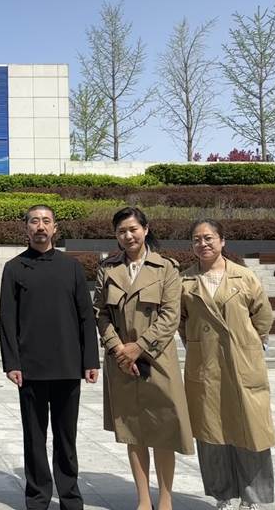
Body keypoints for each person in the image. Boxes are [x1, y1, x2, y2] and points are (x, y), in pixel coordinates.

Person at [0, 204, 100, 510]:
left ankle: (70, 496)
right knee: (34, 437)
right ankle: (37, 496)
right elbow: (7, 319)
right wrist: (12, 363)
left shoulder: (71, 267)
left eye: (46, 221)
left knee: (66, 438)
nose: (40, 226)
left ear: (55, 228)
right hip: (30, 368)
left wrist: (90, 360)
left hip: (68, 365)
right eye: (34, 221)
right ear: (26, 228)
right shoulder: (14, 268)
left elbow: (86, 315)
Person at [93, 207, 194, 510]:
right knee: (133, 432)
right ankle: (143, 500)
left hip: (157, 360)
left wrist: (139, 347)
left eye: (133, 229)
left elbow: (170, 316)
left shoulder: (166, 268)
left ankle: (165, 500)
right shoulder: (108, 269)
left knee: (163, 431)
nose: (128, 236)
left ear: (146, 229)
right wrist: (118, 349)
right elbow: (100, 313)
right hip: (121, 363)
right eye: (121, 231)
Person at [180, 219, 275, 510]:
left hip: (242, 362)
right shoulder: (185, 281)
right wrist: (197, 345)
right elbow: (182, 323)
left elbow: (263, 316)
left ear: (222, 241)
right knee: (211, 433)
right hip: (205, 365)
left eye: (209, 238)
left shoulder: (244, 277)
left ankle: (251, 497)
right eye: (197, 239)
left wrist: (249, 345)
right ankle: (222, 494)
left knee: (251, 429)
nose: (203, 244)